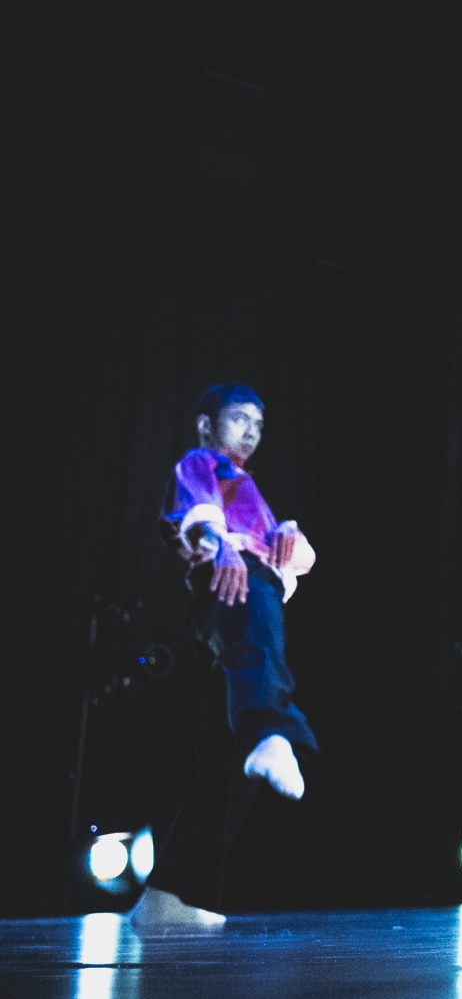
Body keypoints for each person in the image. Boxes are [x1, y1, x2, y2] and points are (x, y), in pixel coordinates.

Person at [129, 383, 319, 930]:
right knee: (259, 663)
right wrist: (221, 546)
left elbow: (285, 552)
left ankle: (170, 896)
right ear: (206, 425)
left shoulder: (246, 484)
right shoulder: (201, 462)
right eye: (239, 420)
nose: (251, 432)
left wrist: (286, 535)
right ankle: (270, 731)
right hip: (232, 585)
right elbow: (198, 514)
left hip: (249, 587)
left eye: (258, 424)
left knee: (221, 757)